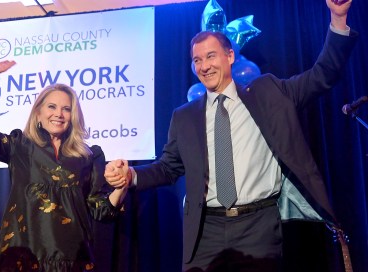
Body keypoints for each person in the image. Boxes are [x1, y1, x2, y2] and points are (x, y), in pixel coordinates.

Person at [104, 0, 357, 271]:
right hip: (205, 230)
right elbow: (168, 167)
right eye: (197, 60)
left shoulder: (269, 93)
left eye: (211, 56)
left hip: (258, 226)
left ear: (230, 56)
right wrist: (132, 175)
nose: (204, 66)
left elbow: (323, 75)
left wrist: (338, 18)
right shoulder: (185, 116)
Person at [0, 60, 128, 272]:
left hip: (71, 262)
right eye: (51, 107)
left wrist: (121, 186)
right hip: (22, 260)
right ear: (38, 113)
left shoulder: (88, 156)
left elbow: (102, 211)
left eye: (66, 109)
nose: (59, 114)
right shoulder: (20, 146)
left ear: (73, 116)